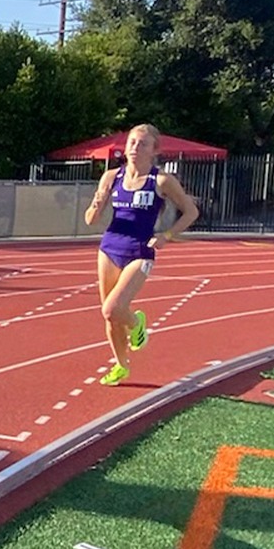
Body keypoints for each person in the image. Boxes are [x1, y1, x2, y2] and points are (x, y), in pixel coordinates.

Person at [83, 123, 201, 387]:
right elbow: (90, 220)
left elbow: (191, 212)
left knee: (113, 307)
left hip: (140, 250)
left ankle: (137, 325)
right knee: (110, 316)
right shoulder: (111, 177)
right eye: (132, 142)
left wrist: (167, 236)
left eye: (143, 144)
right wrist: (98, 201)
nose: (135, 148)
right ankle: (121, 365)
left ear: (154, 151)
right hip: (109, 248)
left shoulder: (160, 181)